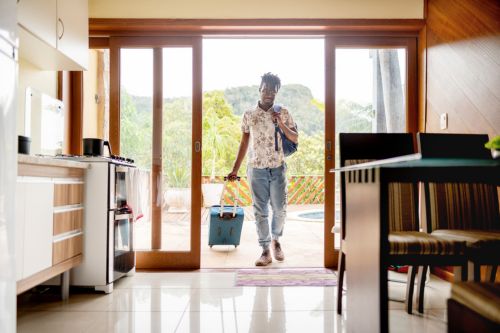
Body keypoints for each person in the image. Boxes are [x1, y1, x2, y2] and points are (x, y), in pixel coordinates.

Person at [227, 72, 298, 266]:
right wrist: (235, 169)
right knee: (260, 211)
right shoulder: (249, 114)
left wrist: (280, 122)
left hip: (277, 168)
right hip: (256, 169)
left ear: (277, 92)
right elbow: (244, 142)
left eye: (272, 91)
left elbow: (294, 138)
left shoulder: (283, 111)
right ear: (259, 90)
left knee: (280, 210)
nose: (268, 94)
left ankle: (276, 240)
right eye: (265, 89)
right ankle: (265, 250)